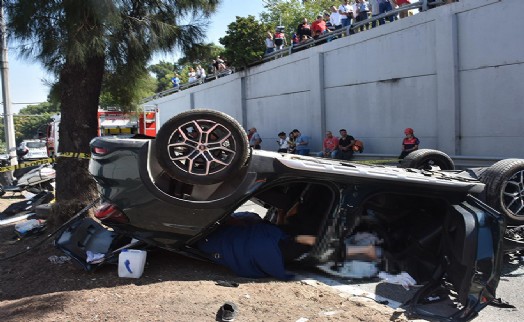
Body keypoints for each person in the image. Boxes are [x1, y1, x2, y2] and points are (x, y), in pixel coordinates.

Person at [196, 211, 381, 280]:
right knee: (308, 242)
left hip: (262, 245)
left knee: (303, 240)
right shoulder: (229, 228)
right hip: (268, 248)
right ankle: (363, 251)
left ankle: (353, 247)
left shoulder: (210, 238)